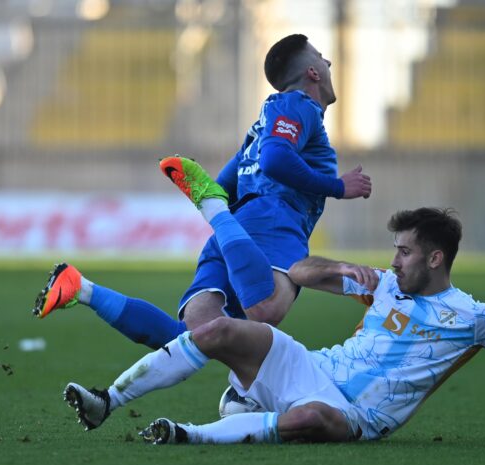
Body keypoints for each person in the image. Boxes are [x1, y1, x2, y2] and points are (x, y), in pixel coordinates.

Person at [62, 208, 485, 446]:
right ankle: (107, 401)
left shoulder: (475, 317)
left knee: (309, 421)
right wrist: (343, 270)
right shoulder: (382, 284)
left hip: (357, 414)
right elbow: (299, 272)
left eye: (405, 252)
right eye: (394, 251)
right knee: (216, 329)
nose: (394, 261)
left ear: (436, 259)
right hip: (311, 367)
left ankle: (188, 435)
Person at [32, 34, 371, 350]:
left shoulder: (262, 126)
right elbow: (276, 159)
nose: (330, 64)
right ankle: (251, 396)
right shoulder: (297, 105)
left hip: (239, 232)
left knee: (191, 340)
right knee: (266, 311)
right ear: (312, 72)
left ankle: (81, 289)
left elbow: (222, 185)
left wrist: (235, 225)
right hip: (272, 222)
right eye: (324, 60)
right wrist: (338, 187)